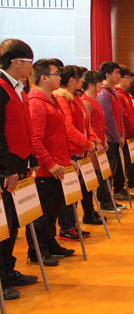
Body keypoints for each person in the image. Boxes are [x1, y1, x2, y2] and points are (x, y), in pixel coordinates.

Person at [27, 59, 77, 266]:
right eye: (56, 73)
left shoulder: (52, 100)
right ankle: (37, 251)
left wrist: (67, 159)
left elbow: (57, 135)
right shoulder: (36, 103)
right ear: (44, 78)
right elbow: (35, 140)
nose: (60, 76)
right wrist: (50, 163)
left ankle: (50, 243)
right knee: (43, 214)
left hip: (59, 167)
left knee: (54, 211)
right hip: (46, 170)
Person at [0, 39, 39, 299]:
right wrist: (6, 168)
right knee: (5, 224)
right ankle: (2, 278)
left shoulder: (20, 88)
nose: (31, 68)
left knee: (15, 222)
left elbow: (25, 126)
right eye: (29, 62)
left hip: (20, 162)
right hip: (7, 167)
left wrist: (32, 158)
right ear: (16, 62)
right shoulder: (1, 88)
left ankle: (8, 269)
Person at [53, 66, 99, 244]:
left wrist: (91, 140)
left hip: (81, 149)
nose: (82, 80)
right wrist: (87, 143)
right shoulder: (63, 98)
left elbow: (86, 123)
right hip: (72, 151)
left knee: (75, 192)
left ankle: (71, 224)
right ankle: (66, 227)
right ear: (72, 80)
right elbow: (68, 128)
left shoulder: (76, 97)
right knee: (69, 192)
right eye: (80, 78)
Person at [80, 71, 122, 213]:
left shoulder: (95, 99)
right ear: (92, 84)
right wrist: (97, 141)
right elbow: (87, 125)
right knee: (91, 179)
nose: (102, 85)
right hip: (92, 146)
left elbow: (101, 122)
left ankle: (100, 204)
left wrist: (104, 138)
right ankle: (90, 210)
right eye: (99, 82)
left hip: (100, 144)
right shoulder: (85, 101)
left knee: (102, 174)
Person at [97, 62, 134, 202]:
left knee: (113, 170)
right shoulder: (104, 94)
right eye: (117, 73)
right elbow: (108, 118)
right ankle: (105, 200)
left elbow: (118, 116)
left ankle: (110, 197)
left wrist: (122, 134)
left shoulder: (112, 92)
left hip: (116, 137)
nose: (119, 76)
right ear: (107, 75)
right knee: (107, 172)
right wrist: (118, 136)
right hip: (110, 138)